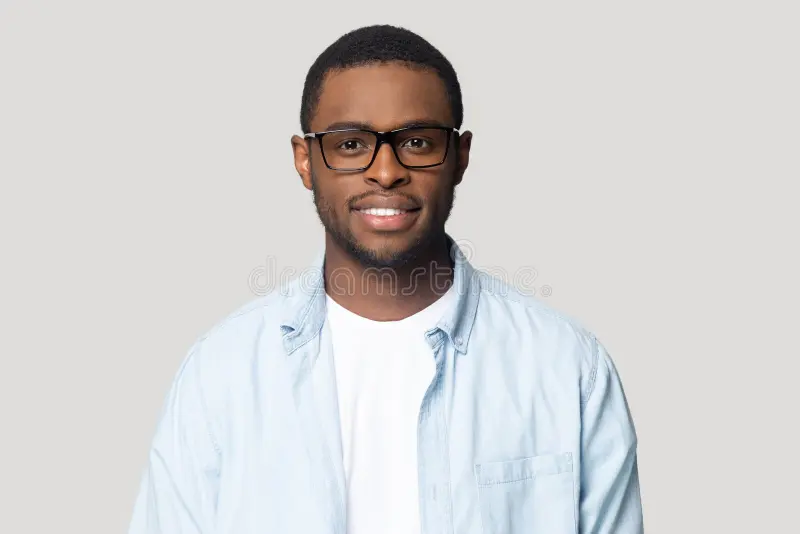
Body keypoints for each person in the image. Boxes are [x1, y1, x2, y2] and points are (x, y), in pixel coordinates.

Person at [129, 24, 643, 534]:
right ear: (305, 161)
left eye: (416, 142)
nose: (385, 171)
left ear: (460, 157)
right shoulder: (221, 374)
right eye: (351, 144)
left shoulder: (567, 367)